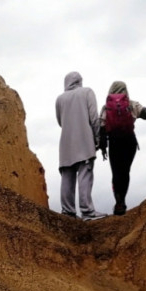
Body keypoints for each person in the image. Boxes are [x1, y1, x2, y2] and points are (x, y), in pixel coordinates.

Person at [99, 81, 146, 216]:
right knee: (125, 171)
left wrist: (103, 147)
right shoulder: (131, 104)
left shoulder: (106, 107)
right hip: (129, 142)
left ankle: (119, 202)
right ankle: (122, 201)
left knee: (116, 173)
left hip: (114, 143)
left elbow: (102, 128)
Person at [55, 71, 107, 221]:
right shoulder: (87, 92)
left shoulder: (59, 99)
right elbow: (94, 118)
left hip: (65, 143)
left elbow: (60, 121)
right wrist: (97, 138)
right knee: (85, 174)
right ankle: (87, 212)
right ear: (79, 81)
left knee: (67, 176)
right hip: (84, 140)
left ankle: (68, 212)